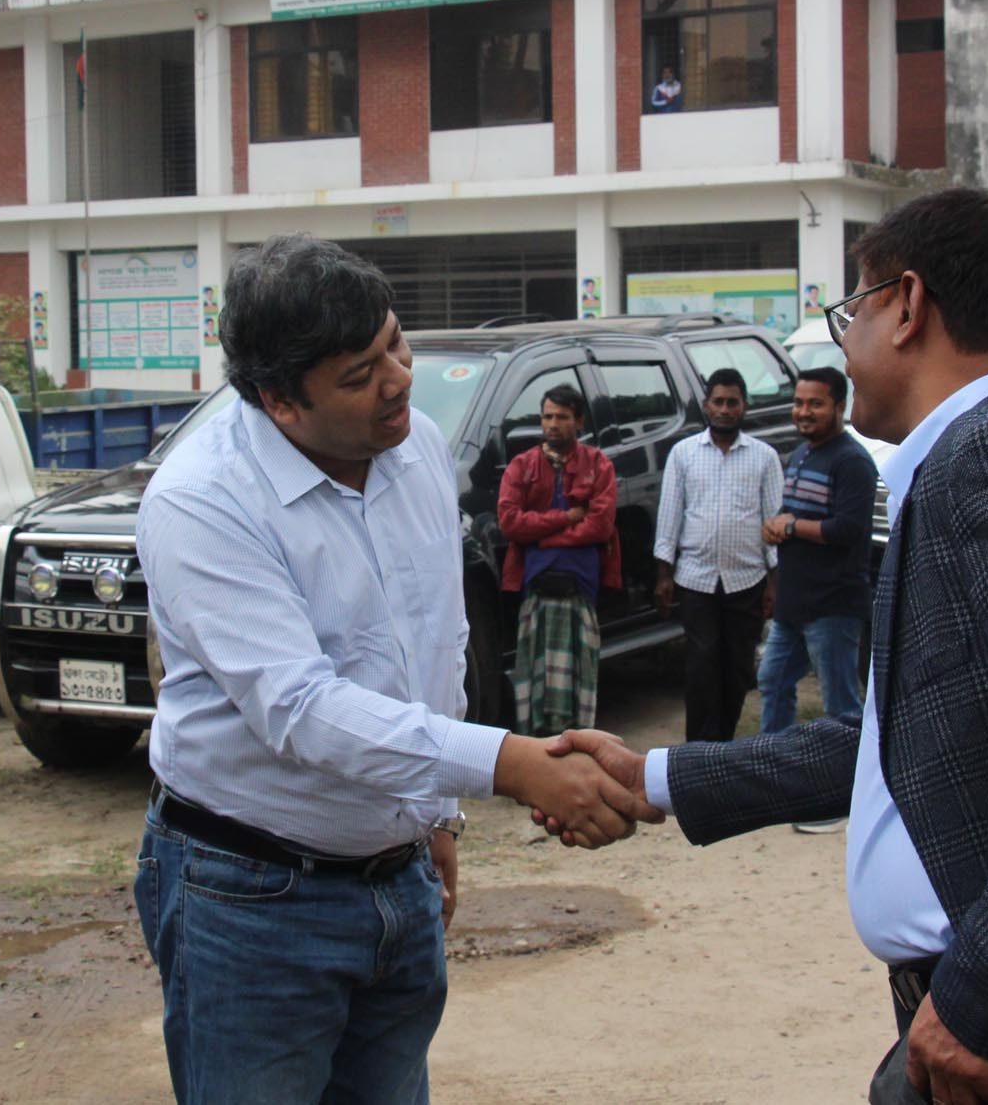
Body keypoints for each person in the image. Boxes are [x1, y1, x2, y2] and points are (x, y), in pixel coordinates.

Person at [548, 189, 988, 1104]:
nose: (845, 346)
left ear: (909, 305)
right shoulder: (971, 458)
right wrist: (658, 777)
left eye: (854, 311)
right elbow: (913, 738)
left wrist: (983, 1001)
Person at [132, 234, 660, 1103]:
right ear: (280, 401)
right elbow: (302, 708)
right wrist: (512, 763)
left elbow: (435, 640)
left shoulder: (415, 449)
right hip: (251, 897)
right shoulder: (202, 500)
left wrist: (435, 816)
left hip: (396, 879)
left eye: (396, 343)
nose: (399, 379)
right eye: (360, 374)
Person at [755, 365, 875, 834]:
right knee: (773, 681)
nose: (804, 412)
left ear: (839, 406)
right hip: (794, 601)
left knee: (841, 705)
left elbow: (849, 529)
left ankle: (844, 798)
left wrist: (790, 526)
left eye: (815, 404)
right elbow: (797, 517)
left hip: (834, 604)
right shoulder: (802, 453)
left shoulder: (853, 461)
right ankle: (775, 783)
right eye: (799, 402)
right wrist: (779, 524)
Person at [653, 368, 783, 742]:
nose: (725, 410)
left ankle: (723, 747)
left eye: (732, 403)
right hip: (695, 579)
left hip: (746, 580)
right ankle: (696, 751)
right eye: (718, 402)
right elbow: (669, 517)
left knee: (737, 669)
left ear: (744, 407)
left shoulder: (764, 457)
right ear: (706, 405)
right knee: (701, 667)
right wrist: (663, 575)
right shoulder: (683, 454)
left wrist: (774, 582)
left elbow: (773, 522)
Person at [498, 384, 619, 735]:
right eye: (548, 416)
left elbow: (600, 526)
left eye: (562, 417)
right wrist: (564, 519)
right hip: (535, 592)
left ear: (578, 422)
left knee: (579, 682)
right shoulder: (522, 466)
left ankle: (576, 749)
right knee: (533, 680)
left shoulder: (598, 465)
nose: (553, 424)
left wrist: (541, 537)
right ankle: (538, 754)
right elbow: (509, 523)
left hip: (580, 590)